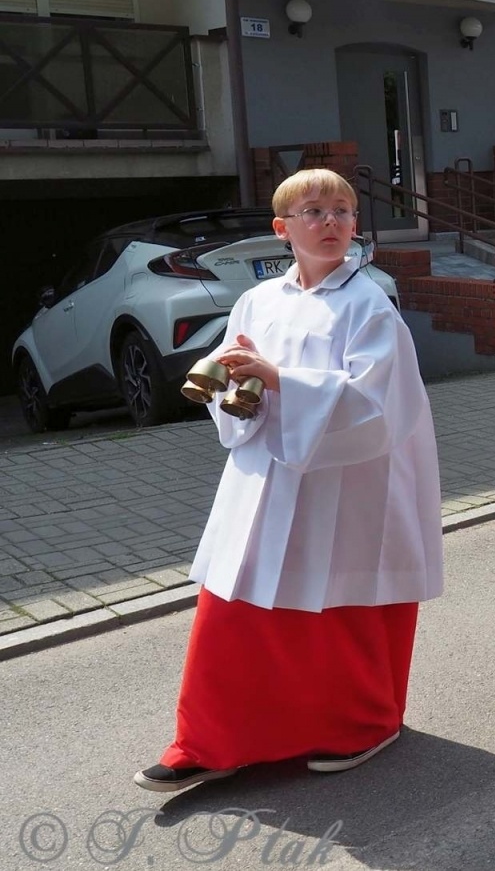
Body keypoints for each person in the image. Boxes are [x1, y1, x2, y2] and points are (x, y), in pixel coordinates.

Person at [135, 168, 444, 794]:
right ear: (283, 228)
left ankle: (366, 723)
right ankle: (211, 740)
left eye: (342, 211)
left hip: (348, 480)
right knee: (234, 603)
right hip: (265, 475)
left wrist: (279, 381)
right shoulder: (258, 301)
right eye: (314, 212)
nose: (331, 222)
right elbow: (234, 378)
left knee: (342, 603)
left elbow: (377, 403)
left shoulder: (368, 304)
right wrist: (230, 383)